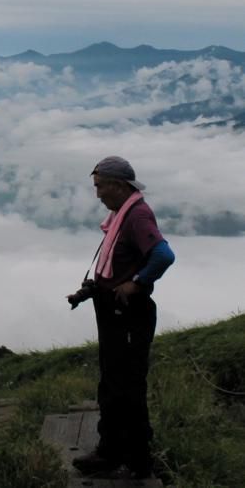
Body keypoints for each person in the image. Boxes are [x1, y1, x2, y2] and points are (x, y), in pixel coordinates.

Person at [72, 156, 175, 479]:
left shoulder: (137, 215)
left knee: (125, 388)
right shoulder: (122, 214)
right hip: (113, 312)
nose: (98, 193)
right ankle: (116, 451)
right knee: (114, 383)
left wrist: (138, 283)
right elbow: (114, 264)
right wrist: (91, 289)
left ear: (118, 185)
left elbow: (163, 255)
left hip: (127, 316)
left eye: (100, 186)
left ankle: (131, 458)